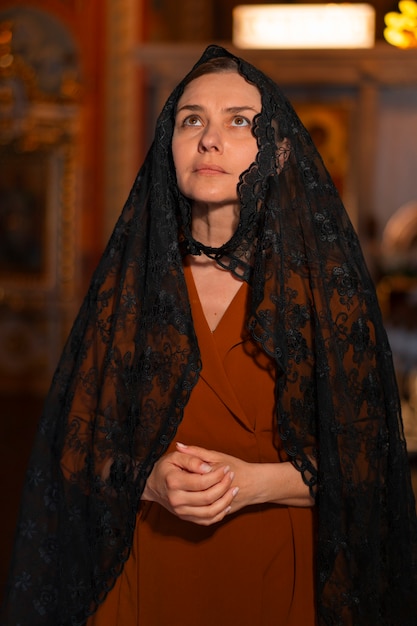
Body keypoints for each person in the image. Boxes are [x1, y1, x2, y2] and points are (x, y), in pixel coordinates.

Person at [1, 44, 417, 626]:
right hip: (145, 569)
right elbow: (72, 451)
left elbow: (372, 464)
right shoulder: (134, 290)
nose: (209, 138)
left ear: (278, 149)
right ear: (167, 146)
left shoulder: (324, 297)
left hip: (276, 571)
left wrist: (253, 484)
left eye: (239, 120)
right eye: (191, 119)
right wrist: (147, 480)